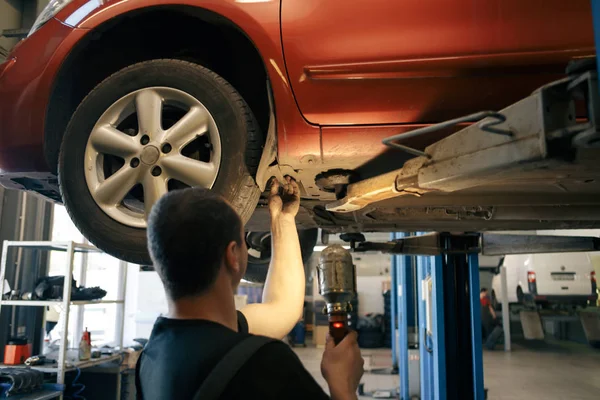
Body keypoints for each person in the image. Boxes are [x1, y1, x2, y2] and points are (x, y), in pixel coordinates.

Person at [136, 177, 364, 399]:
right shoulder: (263, 364)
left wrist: (282, 220)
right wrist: (343, 386)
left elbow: (283, 310)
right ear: (233, 255)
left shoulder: (151, 359)